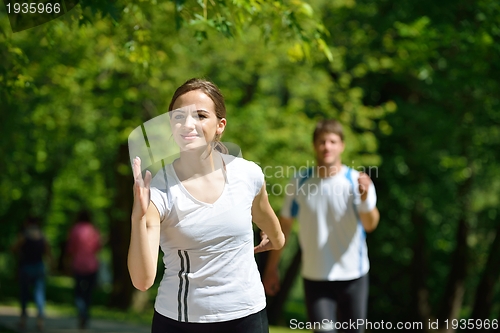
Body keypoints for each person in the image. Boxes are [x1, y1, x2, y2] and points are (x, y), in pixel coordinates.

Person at [128, 78, 285, 333]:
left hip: (248, 317)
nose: (188, 124)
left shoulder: (248, 174)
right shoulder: (158, 189)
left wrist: (275, 240)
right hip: (181, 321)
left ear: (220, 125)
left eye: (200, 115)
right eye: (179, 116)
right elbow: (143, 280)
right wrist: (138, 217)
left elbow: (272, 226)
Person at [263, 119, 380, 333]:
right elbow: (284, 228)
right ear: (314, 145)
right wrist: (272, 268)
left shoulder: (357, 181)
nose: (327, 146)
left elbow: (370, 224)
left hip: (353, 275)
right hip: (315, 277)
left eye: (333, 141)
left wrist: (365, 199)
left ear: (342, 145)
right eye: (322, 141)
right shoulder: (299, 182)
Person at [11, 217, 52, 331]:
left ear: (27, 223)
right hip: (39, 267)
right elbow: (48, 252)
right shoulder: (42, 236)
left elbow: (13, 248)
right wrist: (52, 264)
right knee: (39, 294)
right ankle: (40, 321)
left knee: (24, 294)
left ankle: (23, 320)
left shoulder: (24, 235)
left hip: (26, 267)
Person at [66, 211, 102, 330]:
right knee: (88, 293)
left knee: (78, 292)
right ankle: (85, 314)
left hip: (78, 264)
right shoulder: (93, 230)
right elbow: (98, 247)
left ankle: (82, 313)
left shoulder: (75, 229)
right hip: (92, 265)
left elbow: (70, 248)